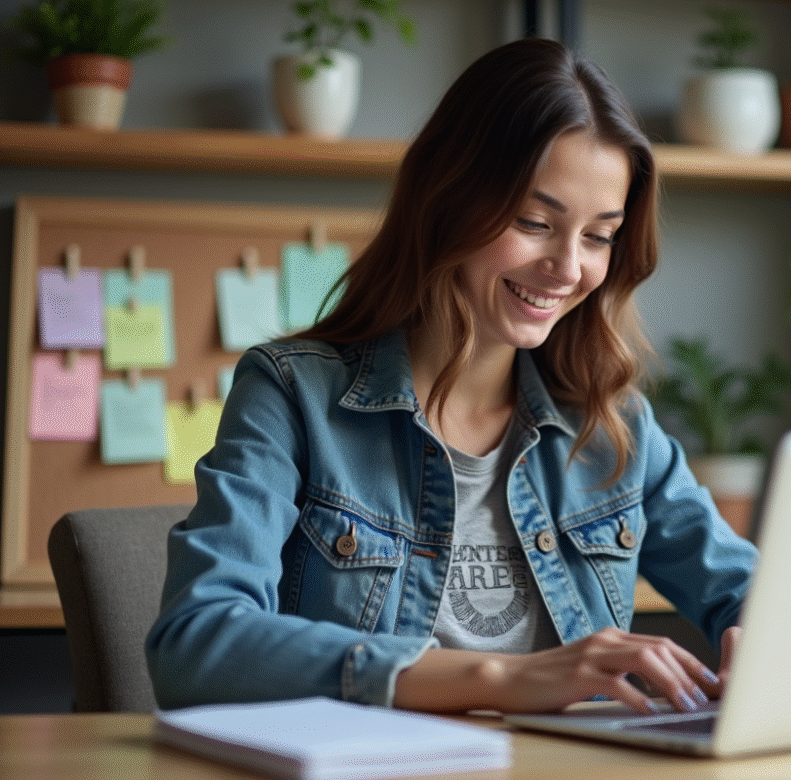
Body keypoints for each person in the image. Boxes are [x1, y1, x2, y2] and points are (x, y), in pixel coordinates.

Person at [145, 37, 757, 715]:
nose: (567, 266)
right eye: (534, 222)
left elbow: (753, 591)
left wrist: (769, 647)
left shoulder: (613, 427)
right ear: (448, 199)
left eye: (599, 235)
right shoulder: (292, 395)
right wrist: (501, 679)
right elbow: (193, 643)